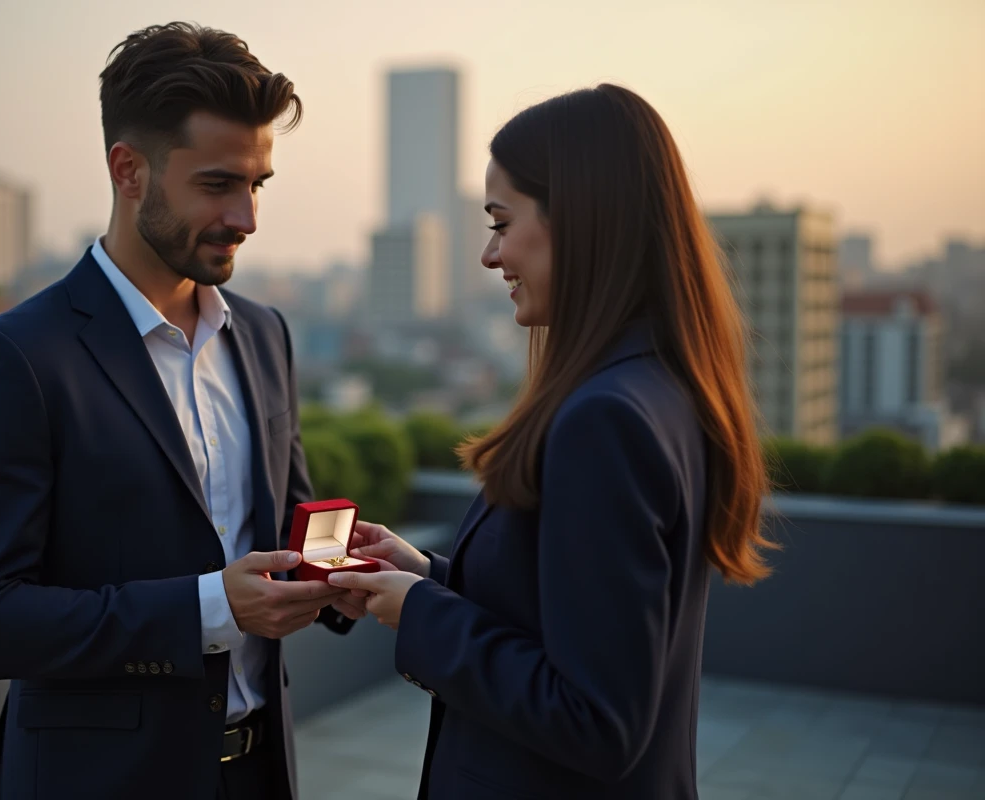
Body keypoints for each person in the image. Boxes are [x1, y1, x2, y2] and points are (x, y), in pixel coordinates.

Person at [0, 22, 363, 800]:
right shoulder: (13, 360)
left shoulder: (264, 334)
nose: (247, 217)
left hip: (263, 771)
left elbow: (288, 521)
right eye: (216, 185)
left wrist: (351, 568)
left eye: (257, 184)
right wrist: (209, 607)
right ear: (128, 171)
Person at [329, 84, 775, 799]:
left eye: (502, 223)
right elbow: (566, 618)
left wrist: (420, 613)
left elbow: (596, 720)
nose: (488, 254)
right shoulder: (659, 384)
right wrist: (427, 577)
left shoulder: (606, 420)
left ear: (582, 222)